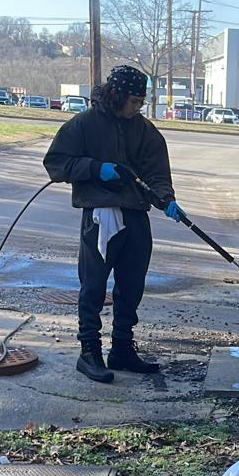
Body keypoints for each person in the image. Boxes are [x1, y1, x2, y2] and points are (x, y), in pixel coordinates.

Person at [43, 64, 185, 384]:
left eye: (141, 103)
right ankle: (89, 352)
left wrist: (166, 199)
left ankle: (121, 348)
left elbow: (156, 173)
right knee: (94, 285)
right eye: (134, 101)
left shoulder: (145, 131)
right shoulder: (84, 124)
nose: (137, 108)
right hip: (100, 215)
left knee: (131, 285)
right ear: (117, 95)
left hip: (135, 214)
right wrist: (95, 169)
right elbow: (56, 162)